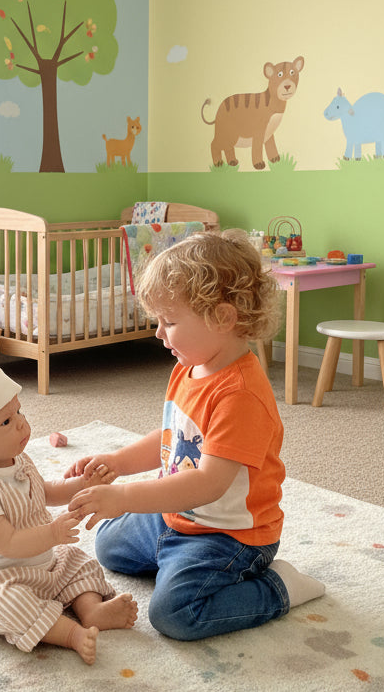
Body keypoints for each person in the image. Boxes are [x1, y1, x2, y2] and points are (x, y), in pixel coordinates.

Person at [67, 230, 324, 641]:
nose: (158, 333)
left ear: (222, 318)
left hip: (229, 536)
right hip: (177, 517)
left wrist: (124, 497)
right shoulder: (189, 367)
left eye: (169, 322)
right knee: (107, 545)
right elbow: (172, 436)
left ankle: (279, 587)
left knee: (174, 614)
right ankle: (174, 558)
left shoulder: (241, 395)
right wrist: (118, 463)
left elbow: (207, 484)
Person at [0, 367, 138, 664]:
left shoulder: (17, 459)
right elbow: (8, 543)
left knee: (78, 560)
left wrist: (83, 485)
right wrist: (52, 534)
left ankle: (91, 611)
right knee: (14, 604)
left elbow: (47, 491)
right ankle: (71, 635)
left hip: (41, 567)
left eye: (19, 412)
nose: (21, 425)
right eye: (6, 421)